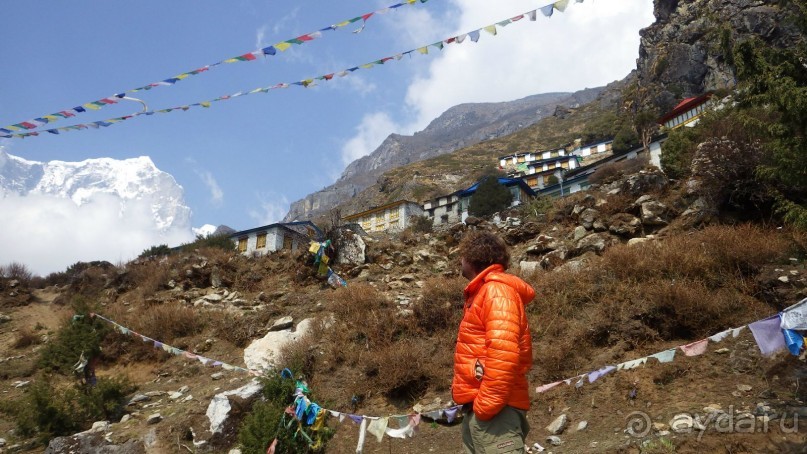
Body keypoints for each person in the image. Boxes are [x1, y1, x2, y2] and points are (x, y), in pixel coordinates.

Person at [453, 230, 535, 453]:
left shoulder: (496, 292)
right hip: (485, 409)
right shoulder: (483, 293)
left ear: (473, 258)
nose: (459, 261)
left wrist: (485, 407)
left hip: (495, 412)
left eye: (462, 256)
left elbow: (504, 354)